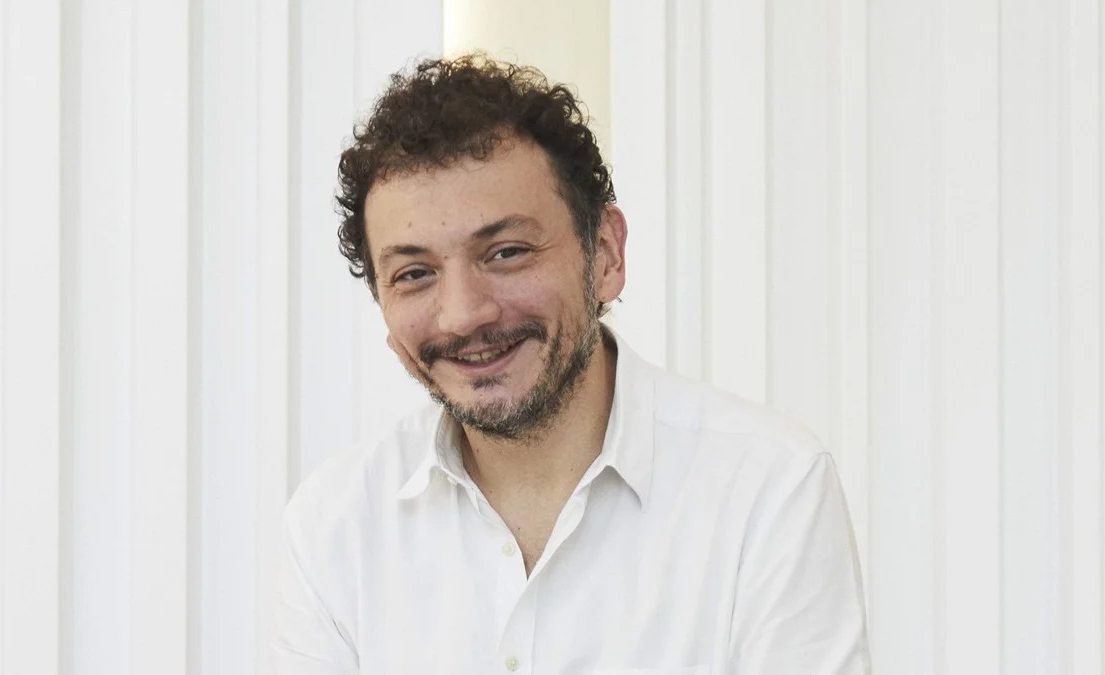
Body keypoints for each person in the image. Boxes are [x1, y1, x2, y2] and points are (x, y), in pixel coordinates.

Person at [274, 54, 870, 674]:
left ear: (605, 255)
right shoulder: (334, 526)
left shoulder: (771, 492)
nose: (463, 315)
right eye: (414, 274)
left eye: (506, 252)